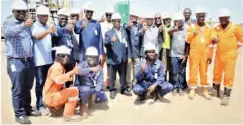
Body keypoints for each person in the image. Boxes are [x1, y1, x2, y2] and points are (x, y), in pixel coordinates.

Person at [3, 0, 41, 124]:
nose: (21, 13)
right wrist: (23, 25)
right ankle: (19, 114)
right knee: (18, 89)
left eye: (24, 11)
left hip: (28, 61)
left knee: (27, 87)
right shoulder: (9, 21)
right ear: (13, 11)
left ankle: (27, 109)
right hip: (15, 62)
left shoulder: (27, 23)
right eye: (18, 11)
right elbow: (8, 32)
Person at [212, 8, 243, 105]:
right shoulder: (217, 28)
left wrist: (234, 48)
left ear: (228, 18)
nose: (223, 20)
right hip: (219, 54)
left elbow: (241, 40)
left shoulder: (235, 28)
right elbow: (212, 36)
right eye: (221, 18)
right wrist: (214, 39)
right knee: (216, 72)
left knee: (228, 75)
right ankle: (215, 89)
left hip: (230, 55)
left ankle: (226, 94)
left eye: (225, 18)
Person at [43, 45, 82, 122]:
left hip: (52, 96)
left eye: (67, 56)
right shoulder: (56, 67)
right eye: (63, 56)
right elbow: (58, 80)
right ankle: (68, 115)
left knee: (73, 97)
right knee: (74, 91)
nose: (66, 58)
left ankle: (54, 109)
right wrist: (72, 71)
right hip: (51, 98)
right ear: (57, 57)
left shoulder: (60, 67)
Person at [31, 5, 56, 116]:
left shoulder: (48, 26)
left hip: (49, 60)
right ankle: (40, 105)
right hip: (39, 61)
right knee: (40, 84)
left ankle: (49, 103)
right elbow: (37, 36)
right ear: (38, 16)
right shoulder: (34, 26)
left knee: (49, 84)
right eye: (43, 16)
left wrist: (52, 31)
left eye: (46, 16)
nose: (45, 18)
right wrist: (48, 31)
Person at [186, 7, 215, 100]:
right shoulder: (192, 27)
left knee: (204, 72)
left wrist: (210, 56)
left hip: (204, 54)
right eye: (199, 16)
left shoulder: (209, 28)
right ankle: (193, 89)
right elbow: (187, 39)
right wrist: (192, 34)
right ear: (196, 17)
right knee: (193, 71)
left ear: (205, 17)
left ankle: (204, 90)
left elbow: (211, 44)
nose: (201, 18)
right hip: (194, 53)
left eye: (202, 16)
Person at [104, 12, 132, 99]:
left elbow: (127, 44)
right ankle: (112, 90)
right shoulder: (108, 33)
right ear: (112, 22)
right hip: (113, 59)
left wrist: (129, 56)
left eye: (118, 21)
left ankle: (123, 89)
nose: (117, 23)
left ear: (120, 22)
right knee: (112, 77)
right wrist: (111, 41)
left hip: (123, 59)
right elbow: (105, 43)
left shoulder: (124, 32)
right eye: (115, 21)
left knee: (122, 76)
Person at [75, 47, 107, 118]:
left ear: (97, 58)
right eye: (89, 57)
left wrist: (96, 92)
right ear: (86, 57)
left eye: (94, 57)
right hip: (82, 88)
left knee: (103, 97)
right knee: (86, 90)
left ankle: (90, 99)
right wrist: (91, 69)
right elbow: (77, 71)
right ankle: (82, 105)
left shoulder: (99, 68)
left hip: (92, 88)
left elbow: (100, 81)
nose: (91, 58)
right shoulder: (82, 64)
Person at [53, 8, 79, 87]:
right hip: (60, 60)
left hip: (70, 58)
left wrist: (76, 58)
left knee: (69, 79)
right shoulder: (55, 28)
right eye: (62, 18)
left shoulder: (69, 30)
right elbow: (57, 33)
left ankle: (68, 95)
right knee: (59, 81)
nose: (64, 20)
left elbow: (73, 43)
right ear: (58, 18)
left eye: (65, 18)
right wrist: (66, 29)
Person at [168, 13, 189, 96]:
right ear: (175, 22)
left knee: (181, 72)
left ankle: (180, 87)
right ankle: (175, 87)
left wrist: (185, 55)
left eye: (180, 21)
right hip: (173, 54)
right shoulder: (172, 29)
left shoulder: (186, 29)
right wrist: (174, 29)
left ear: (183, 21)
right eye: (177, 21)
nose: (179, 23)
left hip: (183, 55)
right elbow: (168, 32)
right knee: (174, 72)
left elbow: (188, 44)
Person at [125, 12, 142, 90]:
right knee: (128, 69)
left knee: (136, 69)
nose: (133, 17)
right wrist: (129, 25)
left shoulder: (139, 26)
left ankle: (135, 83)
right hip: (128, 52)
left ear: (137, 17)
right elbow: (124, 27)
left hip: (136, 52)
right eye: (132, 16)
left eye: (135, 16)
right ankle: (128, 84)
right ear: (130, 17)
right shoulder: (126, 25)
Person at [100, 6, 114, 89]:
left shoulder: (114, 25)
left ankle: (108, 83)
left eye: (110, 15)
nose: (109, 16)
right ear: (105, 15)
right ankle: (100, 83)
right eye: (107, 15)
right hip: (103, 49)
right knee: (100, 66)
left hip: (111, 49)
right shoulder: (101, 25)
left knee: (109, 67)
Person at [161, 13, 172, 81]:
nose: (167, 21)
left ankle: (170, 81)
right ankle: (164, 81)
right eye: (165, 20)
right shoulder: (162, 27)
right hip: (165, 48)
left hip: (171, 49)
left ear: (170, 20)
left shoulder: (172, 27)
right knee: (164, 66)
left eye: (168, 19)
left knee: (170, 66)